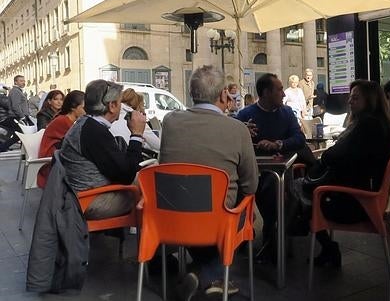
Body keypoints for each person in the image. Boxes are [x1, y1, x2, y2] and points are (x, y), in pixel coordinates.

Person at [158, 65, 258, 299]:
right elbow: (251, 185)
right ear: (224, 94)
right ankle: (208, 274)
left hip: (171, 213)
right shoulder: (237, 129)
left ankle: (204, 273)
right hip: (218, 217)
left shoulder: (170, 121)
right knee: (250, 216)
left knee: (200, 209)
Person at [293, 80, 390, 268]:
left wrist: (328, 154)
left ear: (370, 100)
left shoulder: (367, 126)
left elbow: (335, 156)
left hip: (353, 203)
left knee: (298, 189)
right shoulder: (381, 125)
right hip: (369, 196)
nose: (350, 101)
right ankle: (307, 229)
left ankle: (301, 229)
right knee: (305, 191)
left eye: (356, 97)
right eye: (351, 97)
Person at [236, 73, 308, 260]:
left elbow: (300, 139)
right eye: (279, 89)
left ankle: (272, 236)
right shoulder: (245, 116)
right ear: (266, 93)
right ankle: (268, 236)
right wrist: (243, 133)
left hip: (280, 171)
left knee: (273, 188)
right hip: (250, 172)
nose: (283, 94)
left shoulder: (287, 114)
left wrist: (278, 144)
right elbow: (233, 142)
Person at [60, 80, 146, 220]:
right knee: (153, 185)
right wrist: (136, 135)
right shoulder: (94, 131)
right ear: (112, 106)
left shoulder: (86, 124)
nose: (121, 108)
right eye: (119, 103)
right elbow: (126, 175)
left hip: (79, 195)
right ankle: (157, 235)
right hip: (91, 201)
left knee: (147, 180)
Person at [37, 90, 85, 187]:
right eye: (84, 107)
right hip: (50, 161)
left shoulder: (67, 119)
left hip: (57, 155)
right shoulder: (63, 121)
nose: (86, 110)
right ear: (73, 107)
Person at [0, 75, 32, 152]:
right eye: (21, 81)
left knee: (20, 134)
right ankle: (3, 147)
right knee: (21, 134)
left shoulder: (17, 91)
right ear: (16, 82)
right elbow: (15, 106)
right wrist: (22, 117)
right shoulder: (15, 91)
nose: (23, 82)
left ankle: (24, 151)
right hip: (16, 117)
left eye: (24, 81)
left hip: (18, 116)